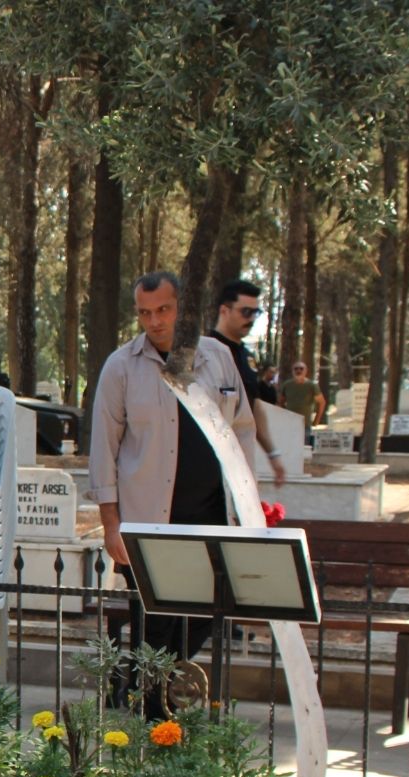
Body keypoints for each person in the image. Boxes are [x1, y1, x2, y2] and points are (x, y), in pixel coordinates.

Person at [90, 272, 260, 714]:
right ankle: (149, 718)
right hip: (146, 520)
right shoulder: (121, 366)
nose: (154, 321)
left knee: (208, 612)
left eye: (163, 310)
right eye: (145, 313)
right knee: (154, 622)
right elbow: (104, 448)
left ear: (182, 307)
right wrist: (111, 526)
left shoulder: (219, 358)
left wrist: (246, 504)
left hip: (210, 515)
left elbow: (242, 429)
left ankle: (149, 689)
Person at [209, 280, 286, 482]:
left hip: (240, 458)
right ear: (224, 310)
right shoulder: (205, 353)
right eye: (245, 312)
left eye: (255, 313)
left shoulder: (247, 356)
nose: (251, 319)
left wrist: (272, 453)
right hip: (208, 460)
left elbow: (253, 406)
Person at [281, 363, 326, 428]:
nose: (298, 371)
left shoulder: (312, 386)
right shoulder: (287, 385)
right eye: (296, 369)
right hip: (289, 424)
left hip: (305, 425)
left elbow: (322, 402)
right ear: (292, 371)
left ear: (306, 371)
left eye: (301, 369)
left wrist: (316, 420)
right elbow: (281, 402)